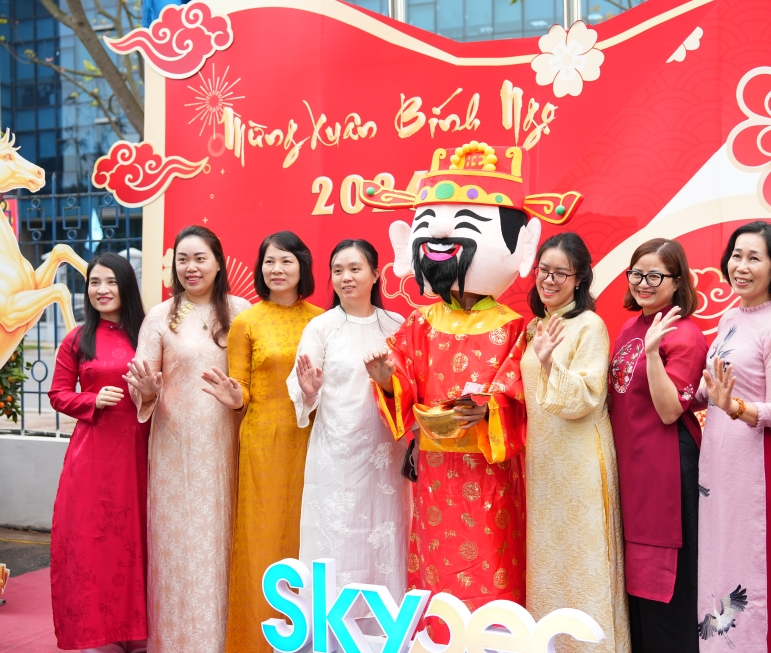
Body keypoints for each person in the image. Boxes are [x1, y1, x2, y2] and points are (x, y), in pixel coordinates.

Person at [357, 141, 581, 635]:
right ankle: (435, 637)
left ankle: (493, 638)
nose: (441, 237)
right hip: (435, 470)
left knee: (491, 556)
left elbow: (519, 393)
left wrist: (488, 409)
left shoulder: (514, 326)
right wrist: (385, 380)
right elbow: (403, 380)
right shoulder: (419, 323)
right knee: (434, 564)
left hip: (489, 469)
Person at [125, 226, 251, 653]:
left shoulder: (241, 312)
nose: (191, 267)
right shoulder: (160, 317)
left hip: (229, 447)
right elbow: (142, 382)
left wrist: (240, 399)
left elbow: (255, 382)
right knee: (178, 550)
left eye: (200, 258)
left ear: (218, 263)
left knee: (226, 544)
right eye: (183, 259)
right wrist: (145, 390)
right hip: (175, 452)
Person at [202, 231, 323, 652]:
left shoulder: (321, 320)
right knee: (262, 536)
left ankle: (308, 637)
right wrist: (235, 397)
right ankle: (257, 639)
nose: (277, 269)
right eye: (269, 261)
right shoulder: (247, 322)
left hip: (314, 440)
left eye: (286, 260)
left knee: (308, 534)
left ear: (302, 266)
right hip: (262, 443)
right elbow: (243, 389)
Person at [286, 239, 409, 619]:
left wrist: (389, 382)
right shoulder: (321, 327)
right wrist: (309, 390)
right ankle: (329, 627)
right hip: (334, 456)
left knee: (384, 534)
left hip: (384, 456)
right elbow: (301, 389)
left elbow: (411, 389)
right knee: (336, 537)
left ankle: (383, 628)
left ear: (376, 274)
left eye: (355, 269)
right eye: (338, 270)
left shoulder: (398, 326)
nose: (346, 277)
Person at [520, 233, 630, 653]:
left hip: (581, 460)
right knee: (550, 559)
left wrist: (549, 362)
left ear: (580, 278)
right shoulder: (537, 326)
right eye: (543, 270)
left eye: (560, 273)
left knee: (584, 559)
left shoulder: (589, 326)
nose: (549, 280)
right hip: (545, 462)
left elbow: (587, 396)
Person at [695, 222, 771, 652]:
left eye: (754, 258)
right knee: (718, 557)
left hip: (755, 465)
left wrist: (734, 406)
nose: (741, 266)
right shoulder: (730, 317)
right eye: (736, 255)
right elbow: (709, 389)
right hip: (716, 463)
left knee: (752, 565)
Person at [608, 238, 707, 653]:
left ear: (678, 281)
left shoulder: (685, 334)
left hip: (666, 471)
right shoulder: (630, 326)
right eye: (637, 274)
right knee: (634, 590)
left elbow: (669, 411)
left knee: (666, 589)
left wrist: (652, 355)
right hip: (630, 470)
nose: (643, 283)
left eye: (655, 275)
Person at [48, 252, 150, 653]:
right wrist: (90, 400)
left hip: (141, 451)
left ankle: (139, 631)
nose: (102, 290)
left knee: (137, 539)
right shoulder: (77, 339)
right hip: (93, 456)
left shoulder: (147, 334)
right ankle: (97, 633)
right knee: (93, 543)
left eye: (110, 282)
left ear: (126, 287)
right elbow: (57, 393)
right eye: (94, 282)